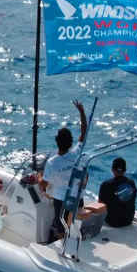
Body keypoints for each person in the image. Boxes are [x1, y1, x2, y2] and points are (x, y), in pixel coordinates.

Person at [40, 100, 90, 242]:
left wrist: (38, 177)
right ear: (70, 142)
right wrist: (81, 112)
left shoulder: (52, 162)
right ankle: (73, 238)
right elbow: (84, 131)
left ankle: (62, 244)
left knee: (60, 227)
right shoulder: (77, 153)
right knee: (71, 223)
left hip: (62, 201)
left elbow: (43, 184)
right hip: (77, 199)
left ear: (57, 142)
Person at [98, 157, 137, 228]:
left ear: (112, 169)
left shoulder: (106, 184)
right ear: (125, 170)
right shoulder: (131, 183)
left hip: (112, 221)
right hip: (128, 220)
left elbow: (100, 205)